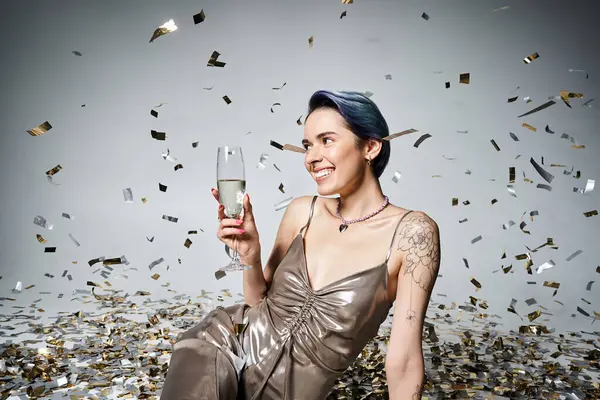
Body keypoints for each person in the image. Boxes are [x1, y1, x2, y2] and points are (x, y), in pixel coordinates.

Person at [160, 90, 441, 399]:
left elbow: (403, 360)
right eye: (308, 145)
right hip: (223, 345)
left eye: (327, 140)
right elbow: (258, 303)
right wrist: (250, 258)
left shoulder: (413, 234)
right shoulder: (303, 210)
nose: (311, 157)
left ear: (371, 147)